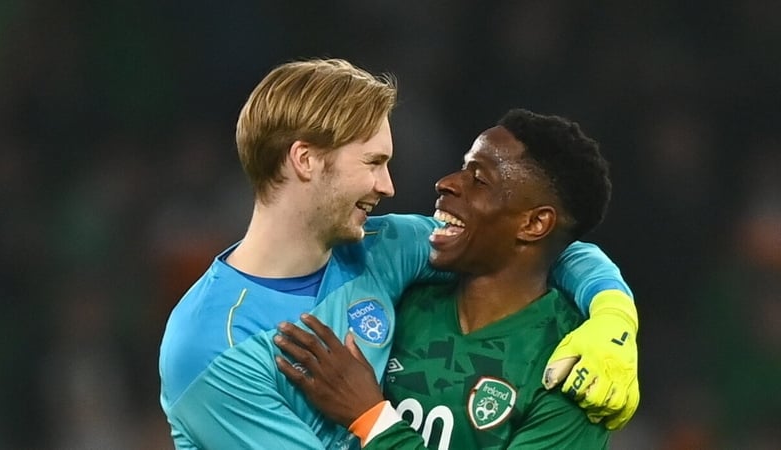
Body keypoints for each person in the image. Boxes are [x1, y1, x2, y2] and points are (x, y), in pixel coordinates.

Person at [158, 59, 638, 449]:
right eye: (373, 162)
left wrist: (613, 316)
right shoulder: (209, 346)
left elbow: (537, 245)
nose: (388, 186)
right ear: (305, 161)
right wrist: (372, 417)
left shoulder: (382, 251)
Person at [274, 108, 636, 449]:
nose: (446, 183)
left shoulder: (572, 364)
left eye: (479, 179)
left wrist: (371, 418)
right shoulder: (401, 295)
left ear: (533, 224)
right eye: (463, 168)